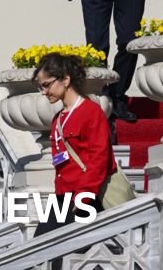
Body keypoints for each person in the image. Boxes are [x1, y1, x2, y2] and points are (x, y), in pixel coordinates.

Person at [33, 53, 113, 268]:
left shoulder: (91, 112)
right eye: (40, 87)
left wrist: (84, 196)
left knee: (61, 257)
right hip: (61, 197)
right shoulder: (58, 118)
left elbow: (99, 157)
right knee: (36, 251)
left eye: (47, 85)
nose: (44, 92)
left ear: (65, 79)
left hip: (84, 198)